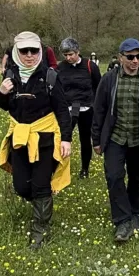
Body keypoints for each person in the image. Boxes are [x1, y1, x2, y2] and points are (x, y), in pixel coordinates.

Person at [0, 31, 73, 249]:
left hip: (45, 140)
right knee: (21, 186)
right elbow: (5, 106)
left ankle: (40, 230)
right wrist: (2, 92)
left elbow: (62, 110)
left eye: (34, 50)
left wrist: (66, 139)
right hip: (20, 139)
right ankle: (43, 203)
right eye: (24, 51)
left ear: (40, 51)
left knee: (40, 185)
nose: (29, 55)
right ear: (16, 52)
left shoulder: (50, 76)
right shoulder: (10, 74)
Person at [91, 38, 139, 242]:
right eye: (130, 57)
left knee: (136, 178)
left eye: (138, 56)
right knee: (114, 177)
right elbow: (99, 110)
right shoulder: (109, 79)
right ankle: (122, 221)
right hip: (115, 138)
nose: (135, 60)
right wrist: (96, 139)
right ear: (121, 58)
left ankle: (135, 213)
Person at [58, 38, 102, 179]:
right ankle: (60, 168)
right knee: (63, 138)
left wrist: (95, 105)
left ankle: (85, 169)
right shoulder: (61, 67)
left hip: (86, 109)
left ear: (78, 52)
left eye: (71, 54)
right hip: (68, 109)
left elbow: (98, 87)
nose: (68, 58)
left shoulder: (90, 66)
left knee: (85, 139)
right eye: (65, 55)